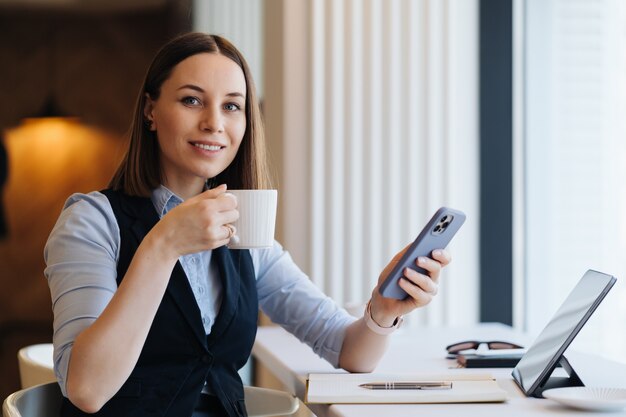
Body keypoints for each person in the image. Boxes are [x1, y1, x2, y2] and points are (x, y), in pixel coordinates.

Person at [44, 32, 451, 417]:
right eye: (191, 100)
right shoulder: (92, 221)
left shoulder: (245, 230)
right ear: (151, 110)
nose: (213, 123)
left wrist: (382, 312)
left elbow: (350, 352)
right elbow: (88, 389)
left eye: (231, 106)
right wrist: (163, 244)